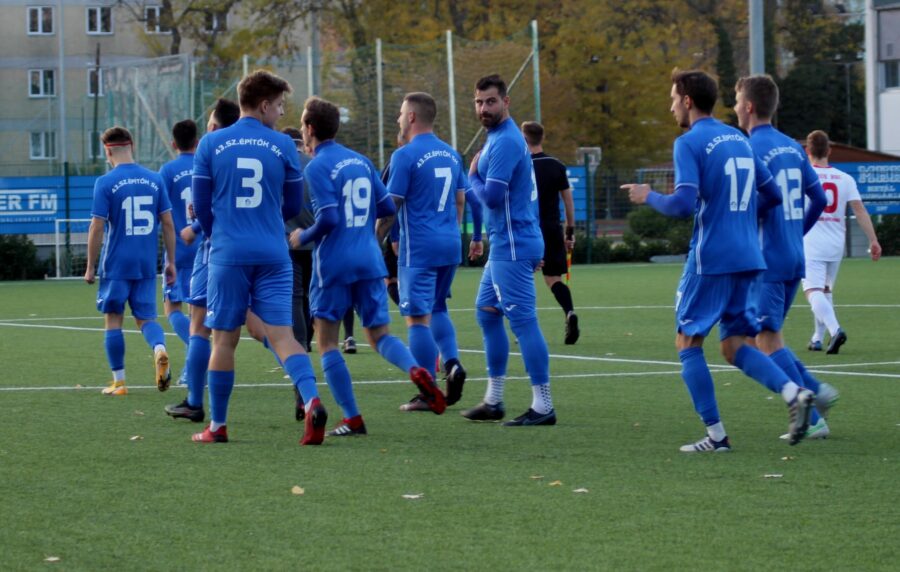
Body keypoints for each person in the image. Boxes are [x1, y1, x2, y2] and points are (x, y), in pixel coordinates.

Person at [621, 69, 815, 452]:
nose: (671, 106)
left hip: (712, 256)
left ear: (688, 101)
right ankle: (795, 393)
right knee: (734, 345)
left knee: (687, 340)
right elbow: (773, 195)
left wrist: (648, 196)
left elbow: (682, 204)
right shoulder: (740, 139)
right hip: (750, 257)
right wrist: (739, 215)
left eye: (673, 99)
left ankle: (716, 436)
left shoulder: (688, 142)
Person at [293, 95, 445, 436]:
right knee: (380, 335)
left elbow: (328, 218)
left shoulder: (315, 166)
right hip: (369, 258)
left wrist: (304, 235)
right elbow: (387, 208)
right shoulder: (360, 160)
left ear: (311, 128)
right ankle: (416, 371)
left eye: (302, 124)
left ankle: (352, 417)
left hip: (334, 263)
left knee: (327, 343)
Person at [190, 70, 328, 445]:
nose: (282, 113)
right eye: (280, 106)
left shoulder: (211, 143)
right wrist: (265, 221)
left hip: (228, 252)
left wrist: (221, 232)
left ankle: (218, 426)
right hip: (273, 251)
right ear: (264, 105)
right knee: (283, 335)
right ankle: (312, 399)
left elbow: (201, 206)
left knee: (223, 339)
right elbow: (292, 205)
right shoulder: (283, 145)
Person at [733, 74, 838, 441]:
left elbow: (750, 205)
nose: (734, 108)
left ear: (749, 107)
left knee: (762, 340)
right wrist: (796, 233)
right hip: (794, 255)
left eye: (736, 101)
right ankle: (817, 392)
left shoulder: (750, 148)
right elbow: (820, 199)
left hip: (767, 259)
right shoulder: (793, 147)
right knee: (767, 336)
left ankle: (813, 417)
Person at [461, 74, 555, 426]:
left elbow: (492, 197)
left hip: (513, 245)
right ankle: (494, 400)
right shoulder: (499, 138)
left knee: (523, 322)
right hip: (510, 242)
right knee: (487, 312)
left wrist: (471, 175)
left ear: (506, 101)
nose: (483, 108)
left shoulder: (504, 142)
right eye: (479, 102)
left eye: (490, 101)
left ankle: (543, 406)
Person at [385, 92, 471, 411]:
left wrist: (374, 239)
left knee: (416, 318)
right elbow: (461, 199)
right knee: (438, 308)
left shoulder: (404, 155)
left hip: (419, 247)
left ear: (411, 117)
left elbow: (392, 205)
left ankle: (428, 392)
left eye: (400, 113)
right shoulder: (451, 153)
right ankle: (452, 363)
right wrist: (451, 230)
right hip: (449, 242)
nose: (398, 118)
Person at [84, 126, 176, 396]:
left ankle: (120, 382)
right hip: (145, 262)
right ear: (132, 145)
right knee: (146, 318)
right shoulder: (155, 179)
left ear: (108, 152)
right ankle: (159, 348)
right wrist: (171, 261)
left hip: (116, 263)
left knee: (114, 319)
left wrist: (90, 266)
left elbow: (97, 226)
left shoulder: (105, 182)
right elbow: (168, 223)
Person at [164, 98, 239, 423]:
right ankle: (303, 384)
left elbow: (175, 213)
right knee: (265, 328)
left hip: (204, 250)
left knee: (193, 322)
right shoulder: (256, 151)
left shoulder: (203, 157)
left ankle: (195, 395)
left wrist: (193, 228)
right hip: (255, 250)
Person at [803, 129, 882, 354]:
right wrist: (873, 239)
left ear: (807, 151)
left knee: (812, 291)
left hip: (810, 241)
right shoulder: (844, 178)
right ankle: (818, 338)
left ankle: (835, 330)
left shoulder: (804, 176)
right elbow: (859, 209)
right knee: (825, 290)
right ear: (829, 150)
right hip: (836, 243)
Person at [521, 121, 579, 344]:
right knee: (554, 279)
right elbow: (568, 202)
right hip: (552, 229)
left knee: (520, 277)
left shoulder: (521, 166)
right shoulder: (556, 165)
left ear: (524, 140)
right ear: (542, 138)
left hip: (528, 229)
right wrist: (569, 232)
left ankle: (525, 328)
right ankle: (569, 312)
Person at [159, 119, 200, 383]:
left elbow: (161, 212)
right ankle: (193, 368)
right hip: (204, 246)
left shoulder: (168, 171)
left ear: (174, 144)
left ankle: (198, 353)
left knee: (172, 308)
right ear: (197, 141)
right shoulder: (206, 165)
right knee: (197, 311)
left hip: (178, 249)